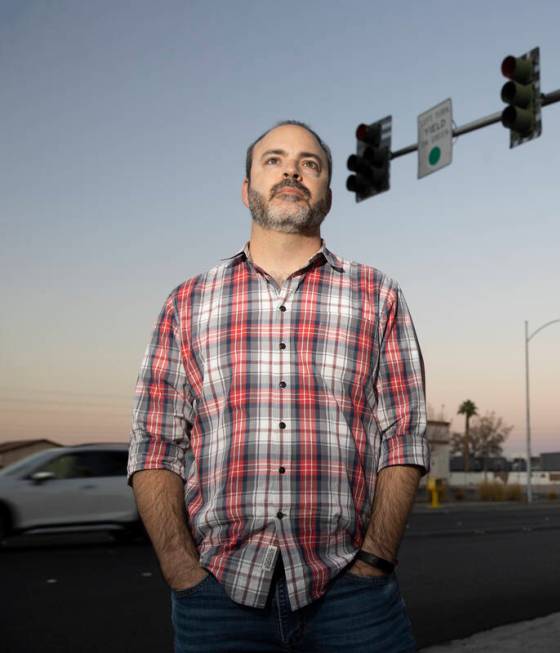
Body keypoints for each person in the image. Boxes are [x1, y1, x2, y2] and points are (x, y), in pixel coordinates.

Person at [127, 120, 429, 652]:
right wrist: (179, 569)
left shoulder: (378, 295)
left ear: (328, 196)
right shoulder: (186, 303)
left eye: (310, 163)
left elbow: (404, 435)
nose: (292, 169)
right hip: (218, 598)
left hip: (352, 598)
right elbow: (155, 444)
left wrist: (376, 558)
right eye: (274, 159)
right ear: (247, 190)